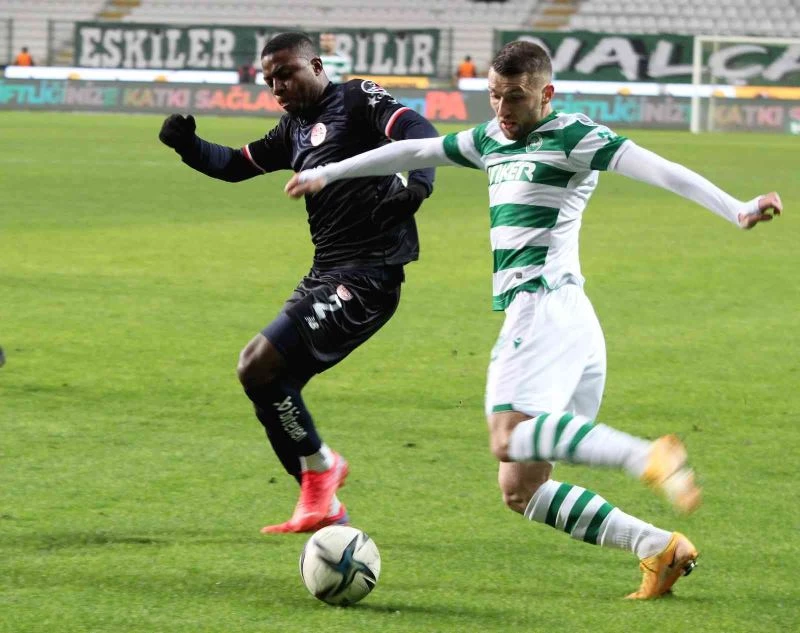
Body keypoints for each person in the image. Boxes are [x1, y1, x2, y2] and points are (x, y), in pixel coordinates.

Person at [285, 40, 783, 598]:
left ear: (546, 93)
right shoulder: (489, 139)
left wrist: (737, 208)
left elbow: (660, 171)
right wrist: (330, 173)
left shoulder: (574, 136)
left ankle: (648, 455)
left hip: (543, 307)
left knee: (508, 438)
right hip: (568, 322)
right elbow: (413, 151)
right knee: (522, 488)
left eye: (516, 97)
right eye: (495, 96)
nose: (503, 108)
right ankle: (659, 548)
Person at [158, 31, 438, 534]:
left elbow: (415, 128)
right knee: (259, 376)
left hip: (369, 275)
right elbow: (235, 165)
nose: (277, 87)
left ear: (316, 65)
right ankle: (321, 488)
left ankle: (321, 473)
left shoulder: (356, 98)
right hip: (326, 271)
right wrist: (188, 145)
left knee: (260, 363)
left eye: (285, 74)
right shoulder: (293, 128)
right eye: (269, 80)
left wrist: (419, 185)